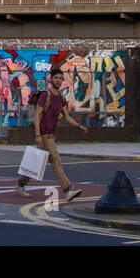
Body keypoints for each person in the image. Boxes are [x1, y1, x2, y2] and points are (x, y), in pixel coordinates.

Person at [16, 66, 87, 200]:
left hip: (51, 135)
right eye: (56, 78)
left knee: (35, 162)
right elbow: (37, 115)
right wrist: (37, 135)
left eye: (60, 78)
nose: (58, 80)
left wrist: (79, 126)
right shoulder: (45, 95)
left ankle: (20, 184)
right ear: (51, 79)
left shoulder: (61, 98)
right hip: (44, 134)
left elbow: (66, 117)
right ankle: (67, 189)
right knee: (56, 160)